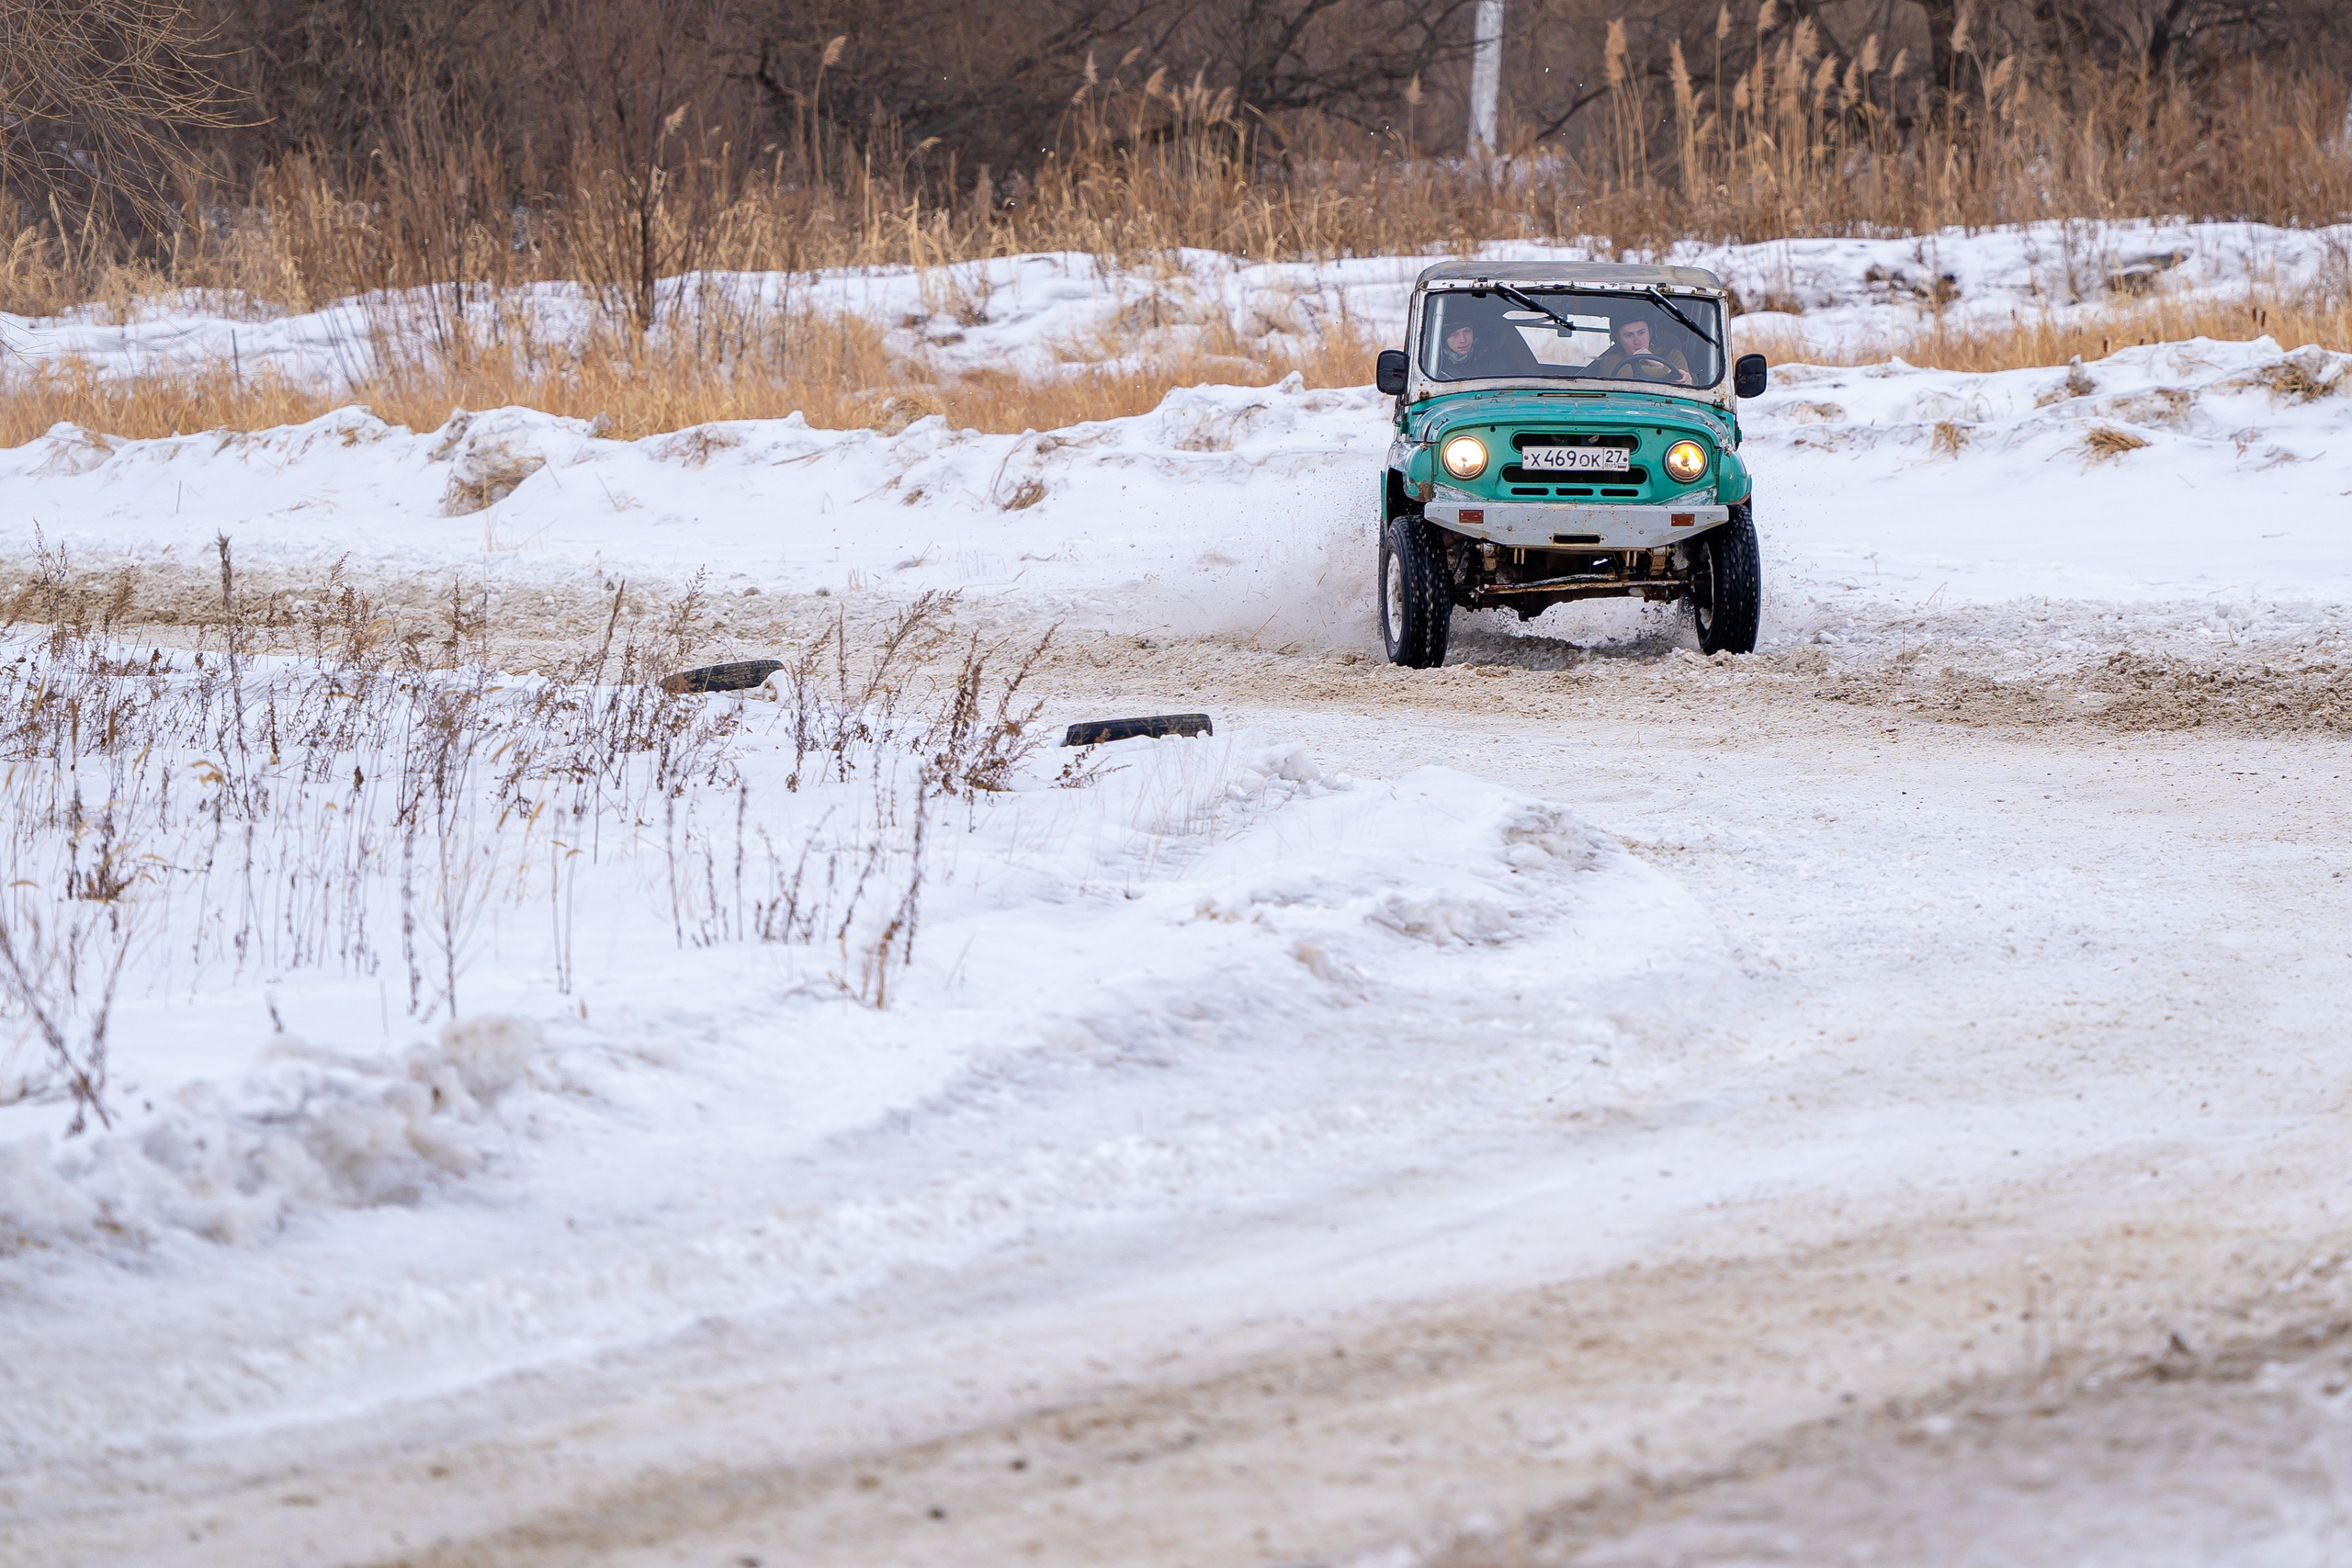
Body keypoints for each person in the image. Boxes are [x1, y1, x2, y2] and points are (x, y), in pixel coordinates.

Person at [1587, 308, 1693, 384]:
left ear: (1650, 333)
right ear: (1618, 339)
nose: (1637, 341)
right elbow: (1625, 375)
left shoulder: (1672, 355)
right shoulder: (1610, 360)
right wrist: (1667, 371)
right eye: (1629, 335)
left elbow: (1685, 385)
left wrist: (1657, 363)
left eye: (1641, 333)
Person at [1430, 314, 1535, 380]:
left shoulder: (1493, 357)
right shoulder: (1432, 364)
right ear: (1444, 339)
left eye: (1467, 331)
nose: (1463, 340)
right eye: (1454, 335)